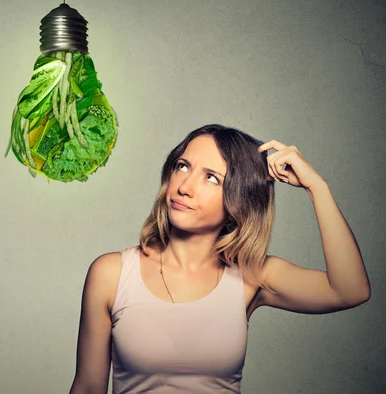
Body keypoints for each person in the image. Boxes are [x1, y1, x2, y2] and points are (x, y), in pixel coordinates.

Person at [69, 124, 370, 394]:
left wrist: (317, 188)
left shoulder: (253, 276)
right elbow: (87, 387)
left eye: (211, 178)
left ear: (239, 199)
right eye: (183, 166)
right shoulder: (112, 273)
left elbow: (350, 291)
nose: (184, 187)